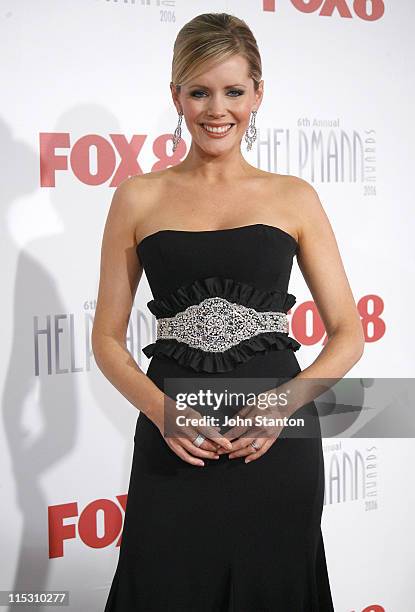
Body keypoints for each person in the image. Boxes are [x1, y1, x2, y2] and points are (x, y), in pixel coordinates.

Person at [93, 12, 364, 611]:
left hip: (274, 442)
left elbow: (349, 333)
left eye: (234, 91)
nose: (217, 110)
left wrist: (281, 403)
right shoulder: (138, 197)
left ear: (257, 94)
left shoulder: (293, 197)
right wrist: (162, 412)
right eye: (200, 91)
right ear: (177, 97)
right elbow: (107, 340)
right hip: (172, 436)